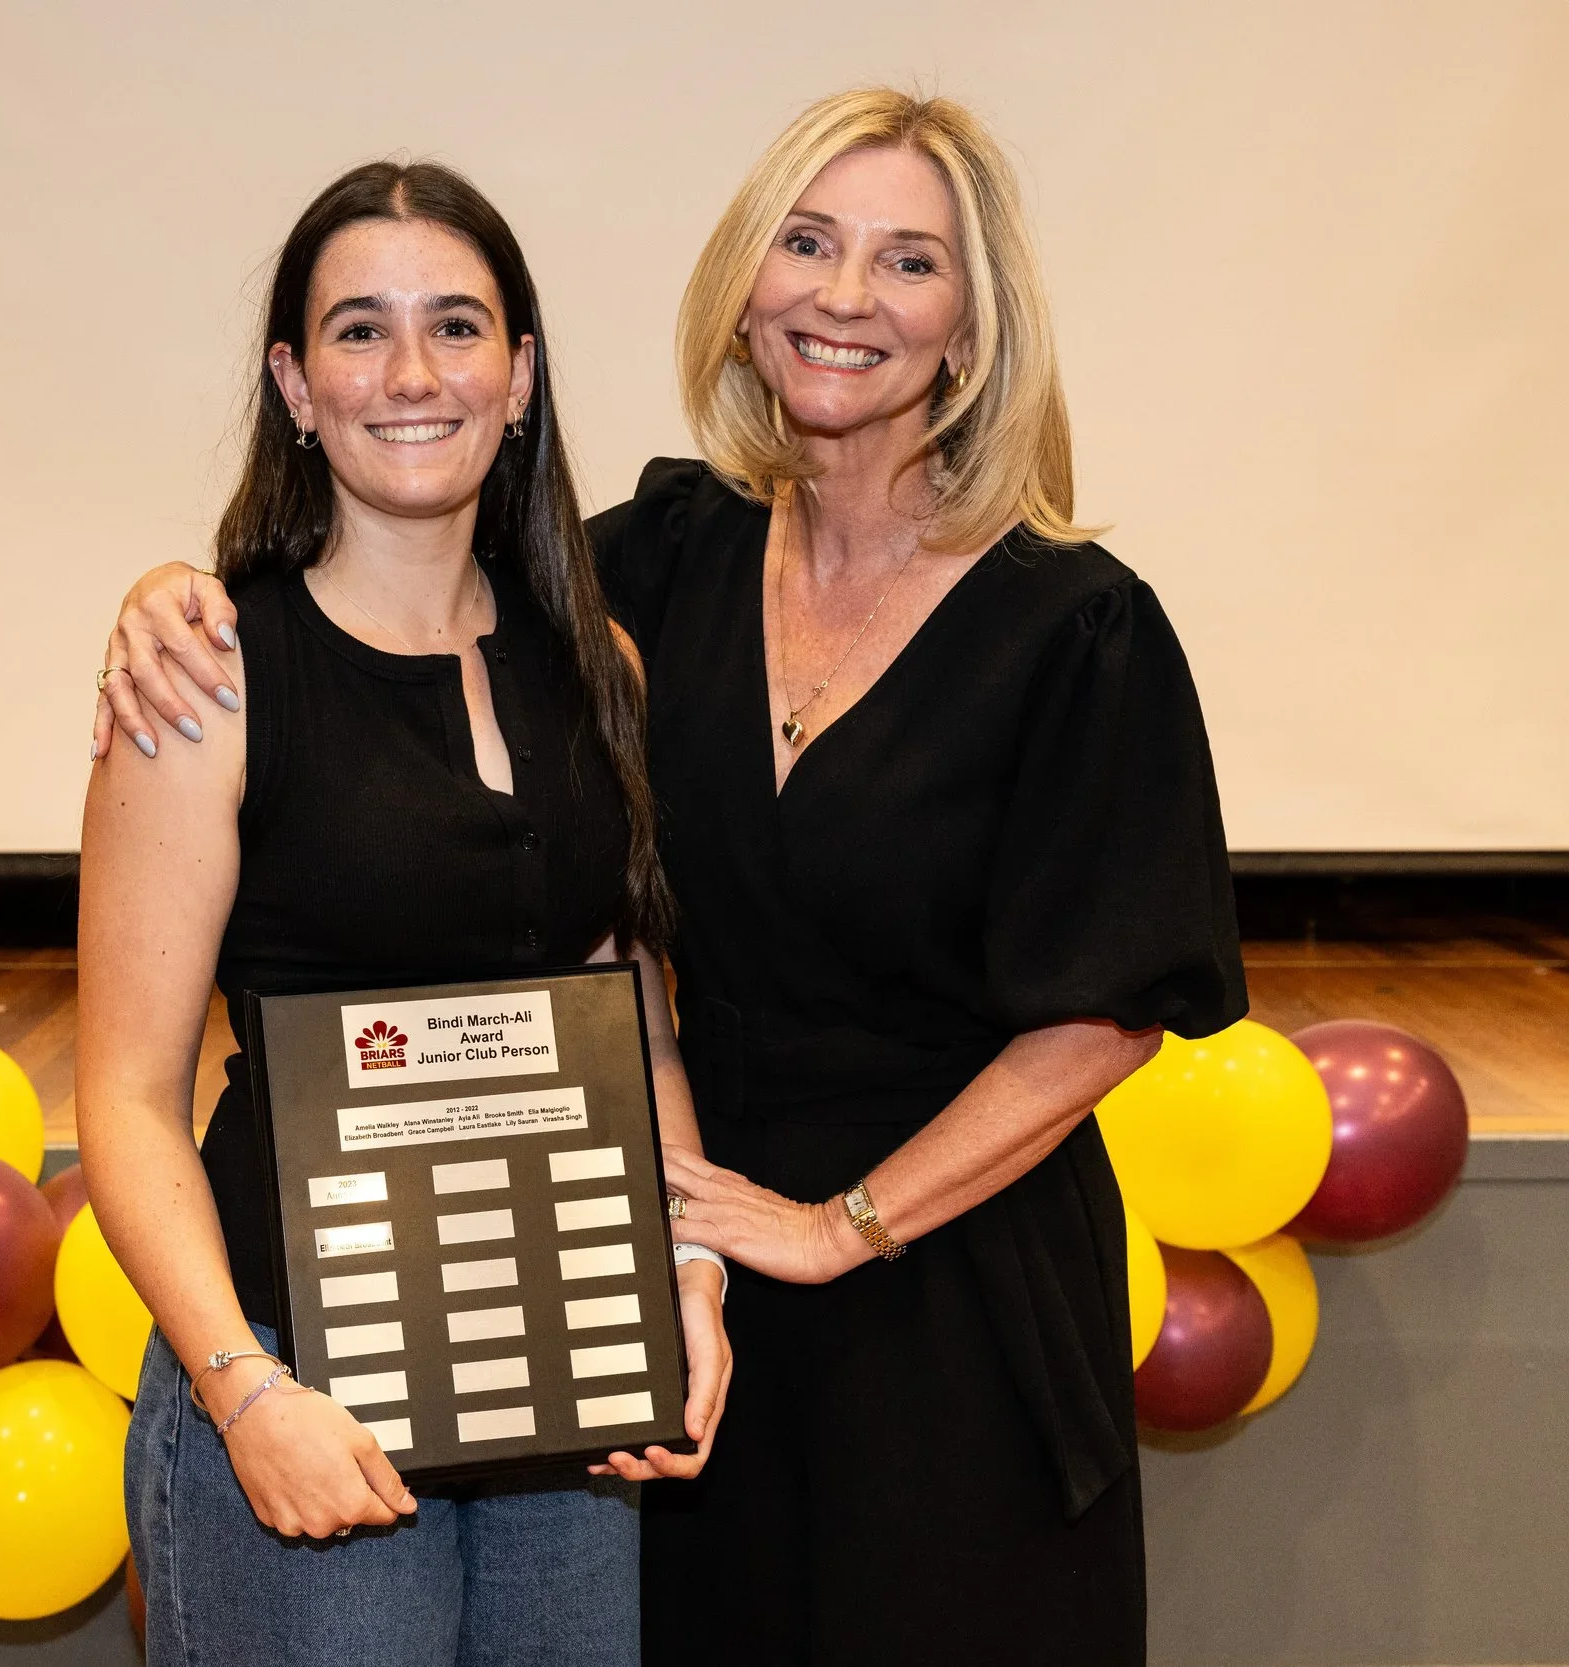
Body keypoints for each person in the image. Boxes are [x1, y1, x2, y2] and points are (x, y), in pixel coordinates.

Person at [93, 89, 1245, 1665]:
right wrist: (172, 594)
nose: (847, 295)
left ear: (974, 330)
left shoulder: (1076, 626)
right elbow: (410, 590)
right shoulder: (658, 571)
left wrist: (836, 1225)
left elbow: (1109, 1012)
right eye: (808, 243)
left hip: (942, 1291)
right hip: (655, 1303)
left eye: (910, 261)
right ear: (746, 286)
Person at [75, 159, 732, 1667]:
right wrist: (244, 1393)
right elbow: (124, 1097)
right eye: (360, 331)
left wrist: (685, 1275)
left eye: (457, 326)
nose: (414, 374)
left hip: (563, 1380)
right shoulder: (206, 676)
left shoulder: (600, 664)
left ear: (522, 375)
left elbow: (634, 1025)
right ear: (295, 387)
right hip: (301, 1390)